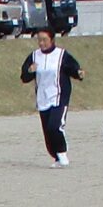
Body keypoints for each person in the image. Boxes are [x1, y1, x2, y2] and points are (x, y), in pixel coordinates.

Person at [20, 27, 83, 166]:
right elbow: (24, 77)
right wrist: (30, 70)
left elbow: (73, 68)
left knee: (54, 126)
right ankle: (56, 157)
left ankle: (62, 151)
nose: (41, 43)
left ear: (52, 40)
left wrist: (78, 73)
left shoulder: (61, 55)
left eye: (44, 40)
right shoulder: (34, 56)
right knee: (47, 131)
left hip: (59, 96)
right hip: (42, 97)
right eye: (39, 40)